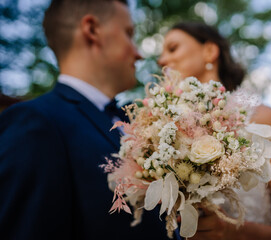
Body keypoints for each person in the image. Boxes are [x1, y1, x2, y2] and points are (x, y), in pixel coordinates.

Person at [0, 1, 170, 239]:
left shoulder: (137, 125)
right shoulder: (36, 123)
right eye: (128, 33)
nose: (138, 53)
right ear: (92, 30)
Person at [158, 22, 271, 240]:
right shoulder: (164, 133)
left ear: (210, 51)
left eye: (172, 48)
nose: (161, 61)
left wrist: (235, 232)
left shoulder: (263, 120)